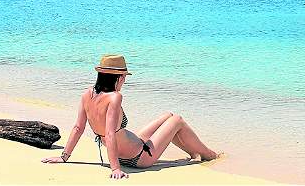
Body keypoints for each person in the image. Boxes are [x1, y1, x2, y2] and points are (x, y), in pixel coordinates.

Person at [41, 54, 220, 179]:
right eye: (124, 76)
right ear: (117, 77)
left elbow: (78, 128)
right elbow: (110, 133)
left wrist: (64, 156)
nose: (125, 80)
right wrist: (116, 168)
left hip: (129, 149)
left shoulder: (87, 94)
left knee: (168, 116)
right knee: (177, 120)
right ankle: (208, 154)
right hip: (140, 157)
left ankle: (193, 153)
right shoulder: (115, 97)